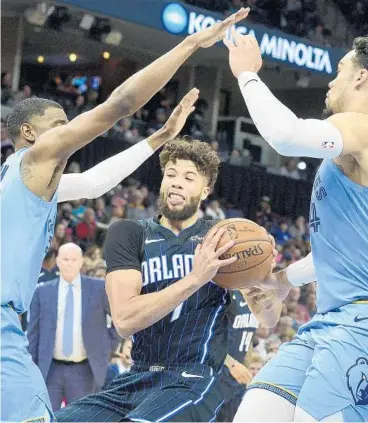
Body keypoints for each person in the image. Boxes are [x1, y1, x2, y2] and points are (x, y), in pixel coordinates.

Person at [0, 8, 249, 421]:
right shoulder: (36, 158)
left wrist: (161, 137)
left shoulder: (20, 179)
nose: (70, 131)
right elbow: (122, 103)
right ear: (29, 133)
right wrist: (189, 45)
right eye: (59, 124)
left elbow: (97, 182)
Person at [225, 31, 368, 422]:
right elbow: (344, 250)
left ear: (361, 78)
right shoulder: (353, 152)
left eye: (340, 69)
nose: (331, 80)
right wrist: (283, 281)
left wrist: (247, 74)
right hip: (335, 319)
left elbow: (286, 135)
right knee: (256, 413)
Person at [55, 138, 277, 422]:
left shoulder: (223, 239)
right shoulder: (129, 233)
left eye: (188, 177)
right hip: (138, 375)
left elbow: (268, 319)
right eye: (171, 175)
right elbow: (124, 320)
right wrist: (195, 279)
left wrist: (268, 282)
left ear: (206, 190)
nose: (176, 183)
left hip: (194, 378)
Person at [27, 243, 121, 411]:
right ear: (57, 261)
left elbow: (118, 318)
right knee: (46, 415)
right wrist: (33, 369)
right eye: (65, 259)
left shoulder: (99, 288)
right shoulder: (42, 292)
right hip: (49, 370)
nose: (69, 263)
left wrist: (107, 347)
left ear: (81, 262)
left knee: (82, 417)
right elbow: (33, 334)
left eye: (73, 259)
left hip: (85, 369)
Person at [216, 291, 259, 422]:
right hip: (217, 375)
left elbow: (249, 337)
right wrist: (231, 363)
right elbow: (208, 338)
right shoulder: (225, 293)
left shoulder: (255, 297)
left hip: (237, 382)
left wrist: (246, 367)